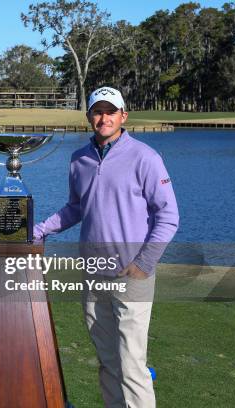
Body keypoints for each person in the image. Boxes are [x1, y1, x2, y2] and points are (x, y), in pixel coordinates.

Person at [33, 86, 179, 408]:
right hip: (93, 276)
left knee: (131, 366)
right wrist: (41, 229)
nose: (104, 118)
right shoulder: (79, 160)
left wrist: (144, 264)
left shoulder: (145, 157)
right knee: (108, 363)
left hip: (132, 276)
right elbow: (76, 207)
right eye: (97, 111)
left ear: (123, 116)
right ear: (89, 117)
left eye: (110, 111)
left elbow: (168, 217)